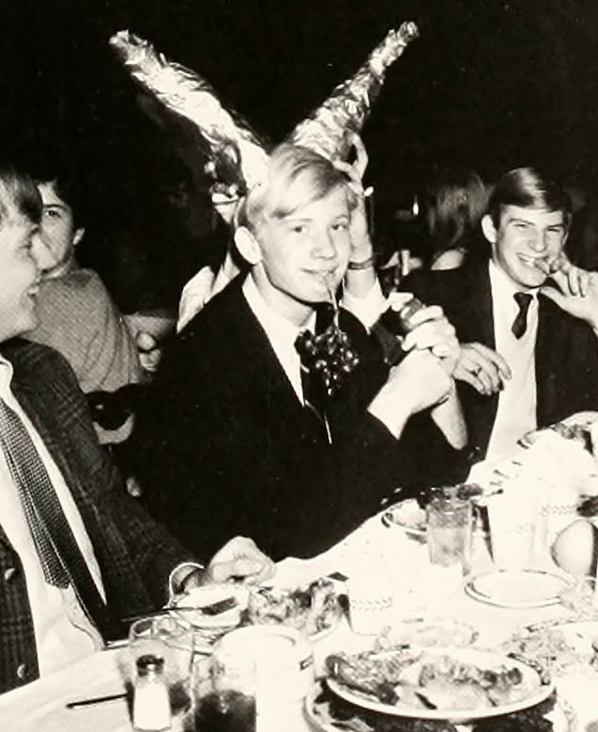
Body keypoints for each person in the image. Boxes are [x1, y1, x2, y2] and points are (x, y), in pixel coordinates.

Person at [0, 153, 274, 732]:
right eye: (24, 246)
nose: (44, 262)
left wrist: (190, 581)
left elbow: (114, 513)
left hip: (119, 700)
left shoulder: (42, 375)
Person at [130, 142, 465, 561]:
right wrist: (396, 399)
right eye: (300, 229)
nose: (328, 250)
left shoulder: (339, 328)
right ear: (251, 245)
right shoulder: (203, 361)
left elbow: (446, 477)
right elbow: (292, 537)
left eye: (337, 226)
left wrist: (441, 380)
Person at [402, 166, 598, 468]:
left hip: (542, 482)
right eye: (522, 226)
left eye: (552, 230)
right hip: (461, 480)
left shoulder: (567, 310)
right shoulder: (436, 294)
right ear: (491, 230)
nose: (539, 245)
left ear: (564, 237)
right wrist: (438, 359)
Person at [20, 168, 165, 445]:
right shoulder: (85, 284)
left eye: (51, 213)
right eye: (28, 211)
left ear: (78, 233)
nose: (36, 226)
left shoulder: (58, 297)